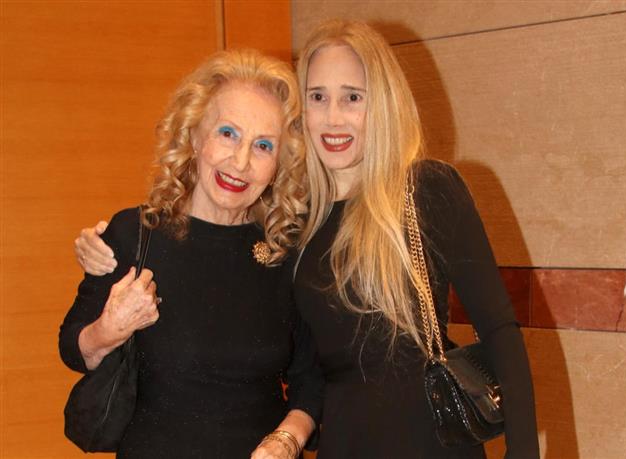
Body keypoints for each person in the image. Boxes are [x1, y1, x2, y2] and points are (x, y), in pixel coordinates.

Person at [76, 20, 540, 459]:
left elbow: (499, 331)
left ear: (382, 102)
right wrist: (103, 250)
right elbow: (218, 261)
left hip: (430, 446)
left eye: (352, 97)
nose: (333, 117)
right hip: (341, 445)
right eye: (318, 97)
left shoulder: (427, 190)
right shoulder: (296, 225)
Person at [60, 49, 322, 459]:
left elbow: (313, 379)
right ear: (195, 135)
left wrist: (287, 439)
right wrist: (109, 330)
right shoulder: (135, 235)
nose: (240, 162)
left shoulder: (287, 253)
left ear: (280, 163)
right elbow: (73, 347)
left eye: (263, 146)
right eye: (228, 133)